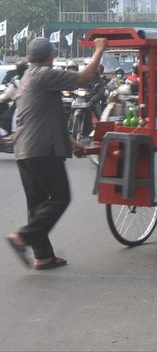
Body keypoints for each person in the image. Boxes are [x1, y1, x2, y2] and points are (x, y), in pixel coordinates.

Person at [6, 36, 108, 270]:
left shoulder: (28, 78)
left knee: (37, 205)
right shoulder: (44, 74)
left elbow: (44, 119)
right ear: (50, 57)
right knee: (61, 197)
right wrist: (100, 49)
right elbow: (85, 77)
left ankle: (43, 256)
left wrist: (72, 142)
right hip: (41, 150)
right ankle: (23, 236)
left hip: (25, 149)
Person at [0, 61, 29, 140]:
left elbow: (5, 96)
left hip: (21, 107)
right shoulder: (33, 80)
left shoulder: (17, 82)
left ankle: (12, 134)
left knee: (11, 114)